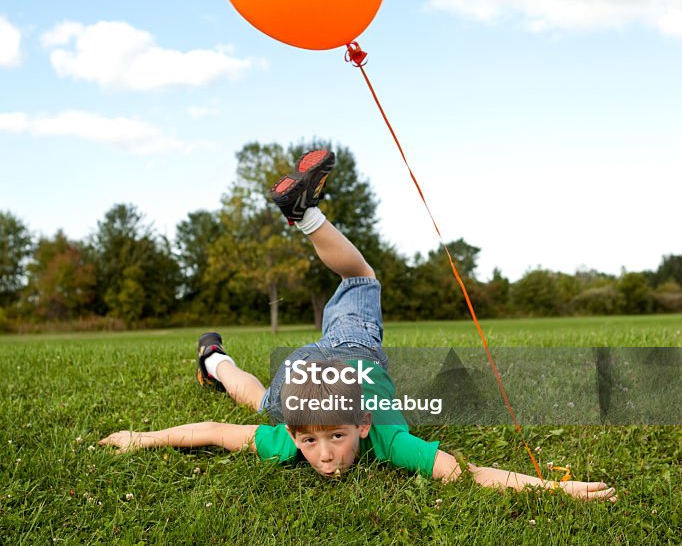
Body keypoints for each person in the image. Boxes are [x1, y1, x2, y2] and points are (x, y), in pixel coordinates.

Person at [100, 149, 617, 502]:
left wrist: (554, 489)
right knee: (274, 389)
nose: (324, 457)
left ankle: (217, 354)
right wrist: (137, 438)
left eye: (336, 439)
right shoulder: (328, 432)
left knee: (266, 395)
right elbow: (213, 432)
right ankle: (220, 348)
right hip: (328, 361)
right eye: (311, 443)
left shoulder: (375, 435)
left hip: (339, 354)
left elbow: (466, 473)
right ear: (297, 432)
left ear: (364, 424)